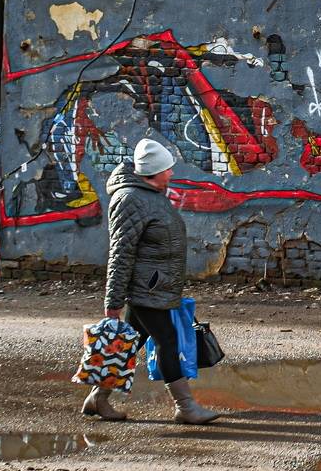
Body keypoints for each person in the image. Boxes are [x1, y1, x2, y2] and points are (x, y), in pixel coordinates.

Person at [82, 137, 221, 425]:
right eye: (167, 169)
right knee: (167, 341)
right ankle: (186, 407)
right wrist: (113, 302)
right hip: (146, 288)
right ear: (153, 172)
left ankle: (98, 397)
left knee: (131, 341)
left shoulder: (152, 195)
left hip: (157, 286)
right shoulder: (130, 199)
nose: (171, 173)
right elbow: (121, 252)